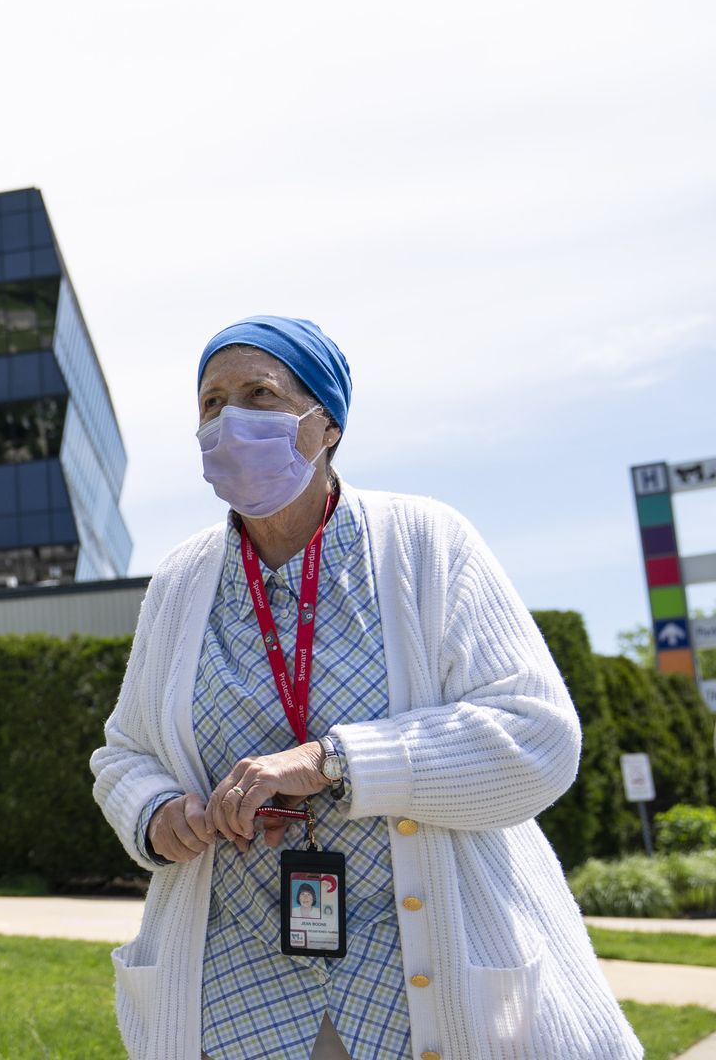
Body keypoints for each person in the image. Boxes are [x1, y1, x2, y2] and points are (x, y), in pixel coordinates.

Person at [90, 317, 640, 1060]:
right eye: (212, 403)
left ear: (328, 424)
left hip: (423, 981)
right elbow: (124, 753)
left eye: (261, 394)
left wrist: (331, 763)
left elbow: (536, 736)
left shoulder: (426, 542)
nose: (231, 420)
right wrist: (159, 814)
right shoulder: (181, 582)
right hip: (234, 987)